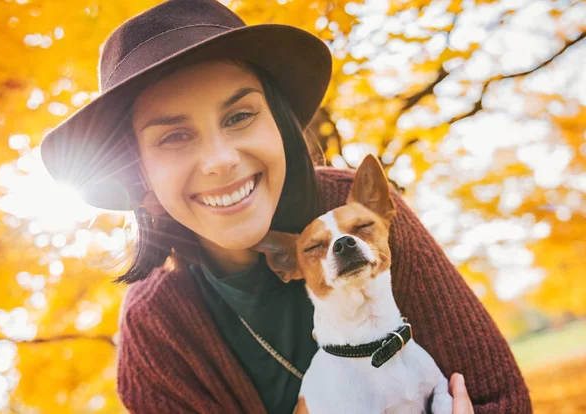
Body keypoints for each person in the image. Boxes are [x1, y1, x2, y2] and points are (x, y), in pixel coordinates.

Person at [40, 0, 532, 413]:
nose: (220, 160)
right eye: (174, 136)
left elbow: (497, 398)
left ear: (279, 124)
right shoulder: (158, 330)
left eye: (239, 115)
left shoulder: (357, 217)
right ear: (139, 177)